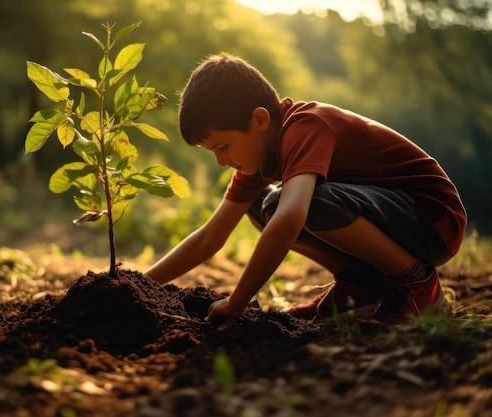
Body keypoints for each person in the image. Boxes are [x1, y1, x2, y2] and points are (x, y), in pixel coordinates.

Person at [145, 53, 467, 327]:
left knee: (292, 204)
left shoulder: (306, 126)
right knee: (262, 203)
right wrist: (140, 284)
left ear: (259, 120)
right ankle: (364, 286)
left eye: (224, 146)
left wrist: (237, 302)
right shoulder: (261, 156)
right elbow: (209, 236)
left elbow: (290, 219)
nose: (220, 162)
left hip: (431, 220)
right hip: (394, 219)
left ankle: (417, 284)